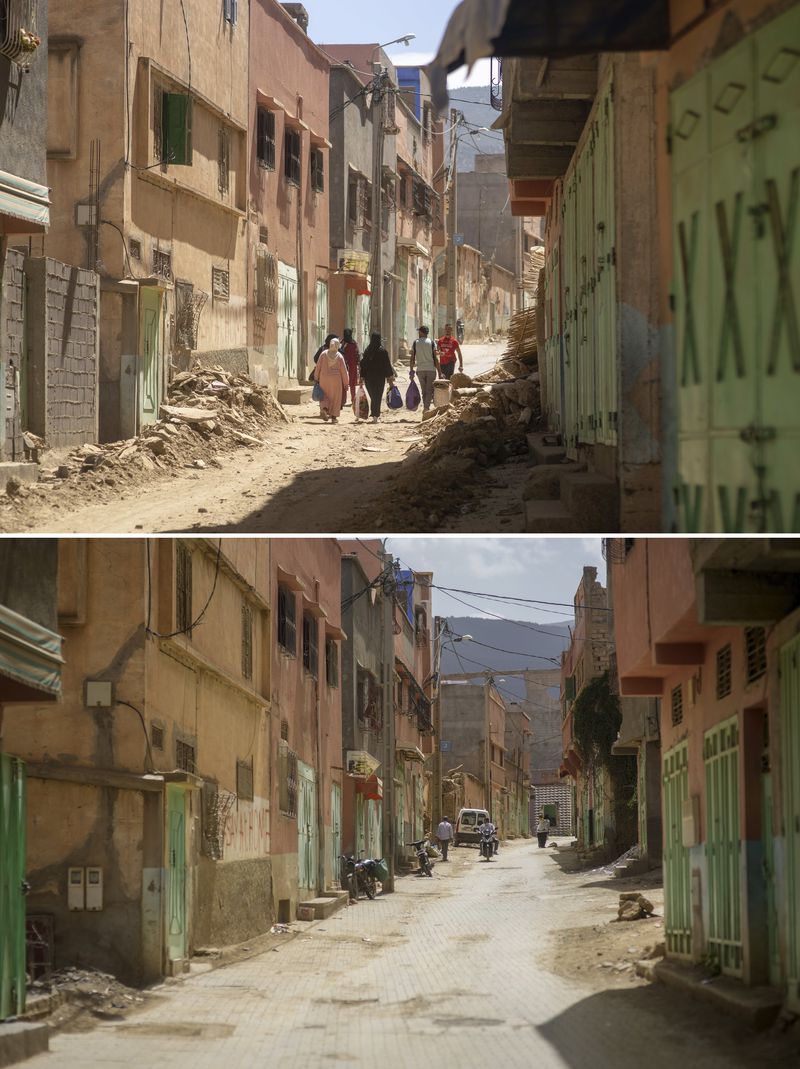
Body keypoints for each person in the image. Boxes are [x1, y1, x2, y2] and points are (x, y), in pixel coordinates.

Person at [359, 332, 396, 422]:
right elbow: (387, 365)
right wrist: (389, 377)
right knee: (377, 396)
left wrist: (362, 376)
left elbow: (363, 364)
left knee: (373, 396)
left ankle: (374, 414)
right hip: (379, 377)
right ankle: (375, 415)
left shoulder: (367, 350)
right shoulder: (382, 351)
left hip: (369, 378)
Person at [313, 337, 349, 423]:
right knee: (336, 398)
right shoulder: (339, 356)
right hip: (336, 381)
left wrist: (316, 377)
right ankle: (333, 417)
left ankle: (324, 409)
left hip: (324, 379)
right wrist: (346, 383)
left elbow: (318, 367)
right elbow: (344, 371)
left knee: (324, 395)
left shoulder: (323, 354)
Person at [409, 325, 441, 412]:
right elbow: (435, 358)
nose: (418, 333)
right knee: (429, 390)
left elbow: (412, 358)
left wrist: (411, 371)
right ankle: (426, 408)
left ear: (421, 332)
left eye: (419, 331)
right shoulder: (431, 342)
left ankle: (426, 408)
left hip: (420, 370)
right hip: (431, 370)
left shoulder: (415, 343)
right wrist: (440, 372)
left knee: (424, 391)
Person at [340, 328, 360, 408]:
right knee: (352, 384)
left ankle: (343, 400)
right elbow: (357, 354)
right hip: (352, 366)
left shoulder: (343, 343)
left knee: (343, 383)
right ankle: (353, 399)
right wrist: (358, 364)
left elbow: (340, 352)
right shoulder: (354, 343)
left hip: (344, 365)